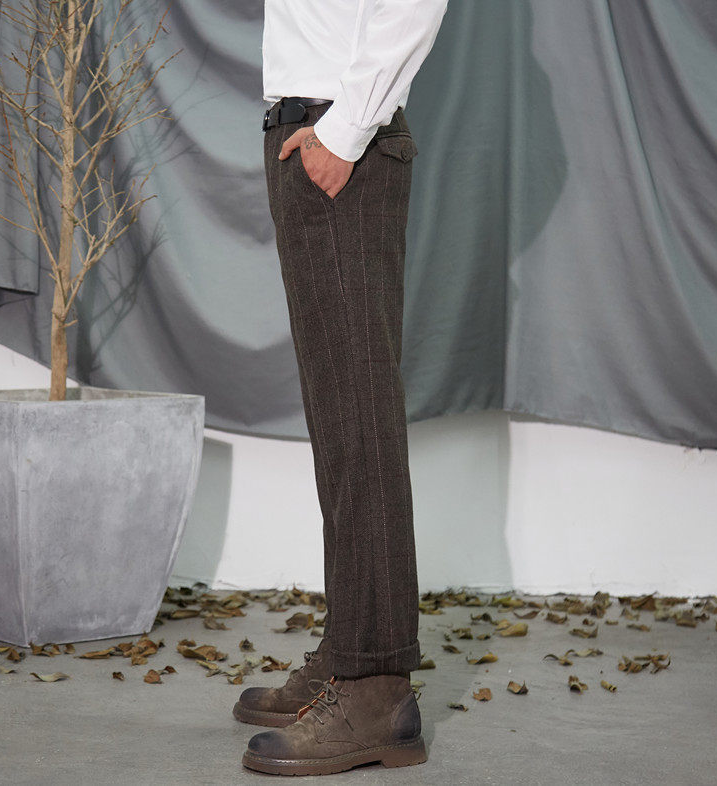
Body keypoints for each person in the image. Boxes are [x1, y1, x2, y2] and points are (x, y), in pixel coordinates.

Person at [236, 0, 449, 776]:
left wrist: (345, 130)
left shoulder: (343, 136)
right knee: (340, 420)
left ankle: (377, 688)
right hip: (315, 132)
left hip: (341, 140)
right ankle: (348, 653)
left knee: (359, 418)